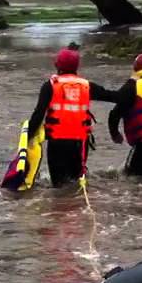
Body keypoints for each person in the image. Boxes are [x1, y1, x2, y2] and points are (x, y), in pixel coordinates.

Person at [27, 48, 117, 187]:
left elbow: (38, 115)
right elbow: (113, 96)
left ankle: (60, 206)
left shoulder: (50, 86)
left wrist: (28, 137)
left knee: (59, 186)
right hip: (79, 143)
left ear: (57, 65)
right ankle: (78, 207)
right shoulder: (87, 86)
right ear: (77, 66)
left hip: (57, 143)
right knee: (76, 182)